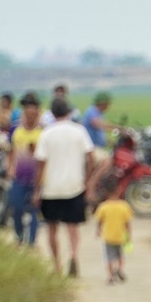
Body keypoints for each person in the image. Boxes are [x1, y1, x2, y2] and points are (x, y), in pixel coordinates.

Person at [35, 99, 98, 277]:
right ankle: (73, 255)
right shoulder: (79, 131)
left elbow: (40, 163)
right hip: (74, 185)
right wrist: (88, 179)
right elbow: (90, 156)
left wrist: (36, 189)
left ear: (52, 114)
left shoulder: (46, 133)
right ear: (69, 112)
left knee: (52, 228)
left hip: (51, 188)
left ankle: (56, 264)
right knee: (73, 227)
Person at [7, 93, 44, 247]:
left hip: (37, 177)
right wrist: (10, 167)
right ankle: (19, 235)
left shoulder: (43, 132)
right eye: (27, 113)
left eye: (33, 114)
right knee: (16, 207)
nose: (30, 117)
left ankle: (31, 241)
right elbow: (11, 150)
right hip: (19, 176)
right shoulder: (16, 130)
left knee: (34, 210)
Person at [97, 194, 132, 284]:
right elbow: (127, 223)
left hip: (108, 237)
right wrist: (129, 236)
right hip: (120, 236)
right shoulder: (124, 206)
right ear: (118, 190)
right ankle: (119, 269)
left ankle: (110, 276)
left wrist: (98, 230)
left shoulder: (103, 207)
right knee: (120, 255)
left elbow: (100, 221)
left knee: (109, 258)